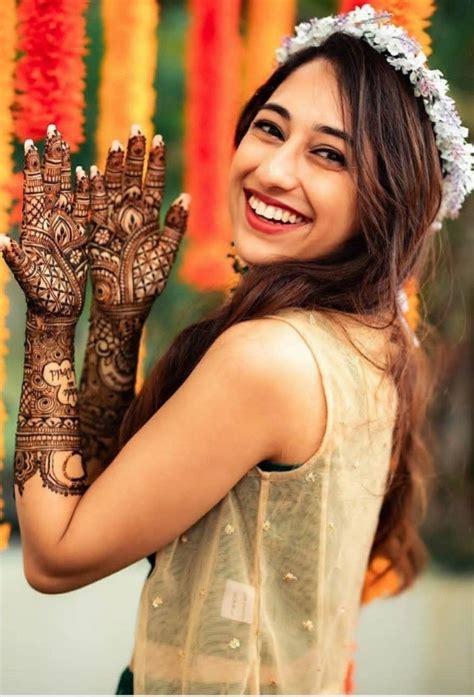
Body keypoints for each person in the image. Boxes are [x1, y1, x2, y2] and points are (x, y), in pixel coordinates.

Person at [1, 4, 472, 695]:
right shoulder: (382, 336)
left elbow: (55, 556)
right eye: (269, 129)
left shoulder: (268, 360)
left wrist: (51, 320)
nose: (273, 171)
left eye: (328, 154)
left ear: (388, 197)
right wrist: (118, 321)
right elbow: (109, 496)